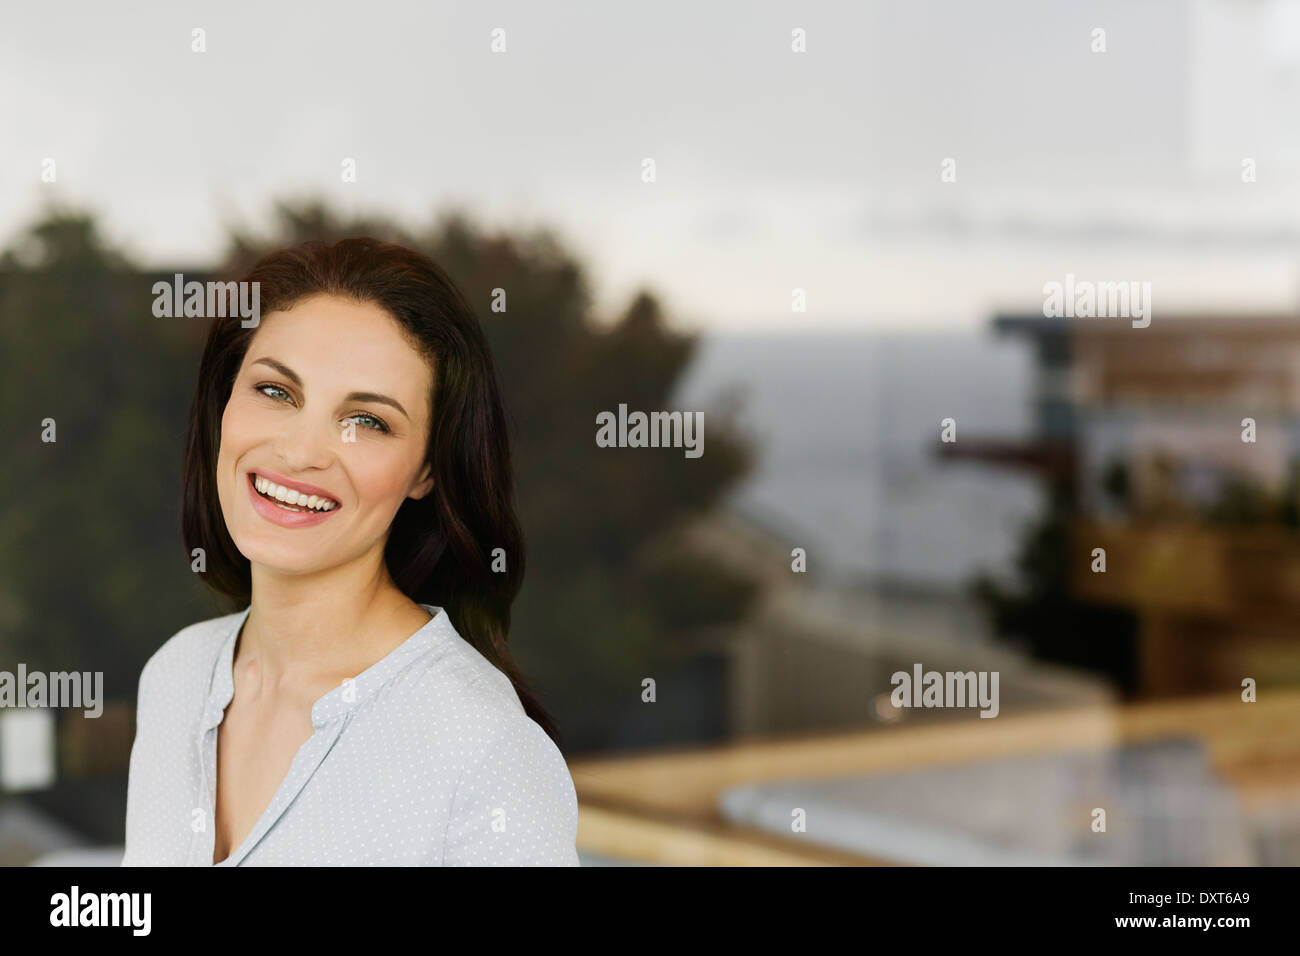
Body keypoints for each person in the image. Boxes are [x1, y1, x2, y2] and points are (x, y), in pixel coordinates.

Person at [122, 238, 579, 866]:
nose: (300, 450)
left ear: (427, 471)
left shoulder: (487, 753)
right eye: (276, 392)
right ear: (224, 401)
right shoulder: (174, 677)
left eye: (368, 420)